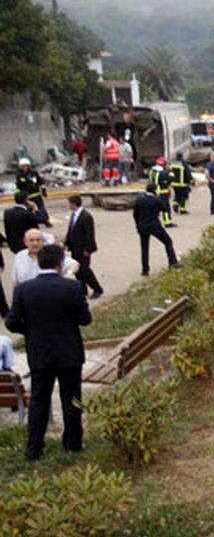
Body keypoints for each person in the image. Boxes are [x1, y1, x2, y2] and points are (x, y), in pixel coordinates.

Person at [5, 244, 92, 461]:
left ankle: (34, 447)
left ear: (39, 262)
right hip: (69, 352)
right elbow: (85, 319)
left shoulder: (24, 289)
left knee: (39, 400)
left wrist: (31, 330)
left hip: (40, 352)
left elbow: (11, 321)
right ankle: (72, 443)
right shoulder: (71, 288)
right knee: (71, 399)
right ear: (60, 263)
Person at [133, 182, 180, 276]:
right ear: (155, 190)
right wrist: (164, 198)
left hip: (142, 226)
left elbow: (135, 215)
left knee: (144, 247)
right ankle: (173, 262)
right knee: (167, 241)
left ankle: (145, 270)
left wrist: (138, 226)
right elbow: (165, 209)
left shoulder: (139, 200)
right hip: (154, 225)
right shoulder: (156, 200)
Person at [64, 195, 103, 299]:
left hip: (83, 249)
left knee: (85, 270)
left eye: (69, 203)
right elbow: (71, 231)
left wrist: (88, 249)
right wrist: (66, 243)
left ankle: (97, 288)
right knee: (78, 271)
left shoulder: (86, 216)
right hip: (74, 247)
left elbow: (90, 234)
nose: (68, 206)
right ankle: (83, 290)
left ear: (73, 204)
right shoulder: (74, 215)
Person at [12, 229, 78, 286]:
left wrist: (69, 273)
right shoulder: (20, 256)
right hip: (28, 295)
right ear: (25, 242)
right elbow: (15, 281)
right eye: (31, 240)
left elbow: (74, 264)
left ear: (43, 241)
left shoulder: (51, 254)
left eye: (38, 240)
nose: (35, 243)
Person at [15, 158, 50, 227]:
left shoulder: (34, 173)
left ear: (28, 166)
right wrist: (19, 195)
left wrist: (43, 190)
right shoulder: (19, 175)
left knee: (41, 208)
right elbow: (19, 186)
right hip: (27, 196)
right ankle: (32, 222)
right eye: (23, 166)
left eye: (26, 166)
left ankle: (45, 221)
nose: (24, 168)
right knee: (29, 210)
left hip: (36, 194)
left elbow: (40, 182)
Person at [148, 157, 174, 227]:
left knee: (154, 210)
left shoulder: (151, 171)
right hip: (162, 193)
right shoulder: (163, 173)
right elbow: (170, 180)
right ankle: (168, 222)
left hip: (154, 193)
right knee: (165, 208)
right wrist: (171, 172)